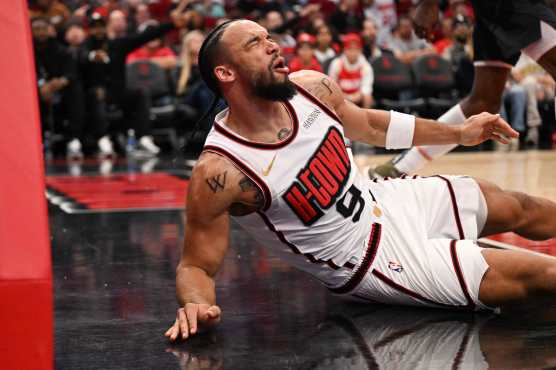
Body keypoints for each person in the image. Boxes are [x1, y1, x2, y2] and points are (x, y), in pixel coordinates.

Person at [163, 20, 556, 342]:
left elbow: (370, 124)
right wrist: (196, 304)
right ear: (225, 72)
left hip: (381, 200)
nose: (273, 45)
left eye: (269, 37)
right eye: (255, 43)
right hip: (371, 261)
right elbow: (196, 264)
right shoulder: (221, 171)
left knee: (514, 204)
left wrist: (458, 133)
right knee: (543, 278)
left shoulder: (311, 88)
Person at [370, 0, 556, 178]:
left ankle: (401, 165)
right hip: (515, 5)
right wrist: (429, 3)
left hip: (492, 11)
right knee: (483, 101)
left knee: (483, 101)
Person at [79, 3, 191, 156]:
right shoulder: (84, 46)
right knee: (96, 94)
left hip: (117, 93)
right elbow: (82, 56)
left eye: (101, 26)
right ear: (89, 29)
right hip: (94, 95)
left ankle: (143, 137)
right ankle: (102, 139)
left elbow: (144, 37)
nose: (98, 30)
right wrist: (92, 56)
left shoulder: (117, 45)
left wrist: (172, 25)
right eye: (94, 27)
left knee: (140, 92)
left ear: (106, 27)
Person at [328, 33, 374, 108]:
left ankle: (365, 118)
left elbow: (366, 87)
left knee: (368, 97)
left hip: (359, 98)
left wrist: (359, 95)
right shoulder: (336, 64)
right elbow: (332, 87)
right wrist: (344, 96)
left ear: (360, 50)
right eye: (349, 49)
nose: (353, 53)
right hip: (341, 98)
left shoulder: (366, 66)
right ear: (344, 50)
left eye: (356, 49)